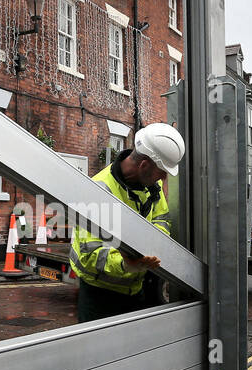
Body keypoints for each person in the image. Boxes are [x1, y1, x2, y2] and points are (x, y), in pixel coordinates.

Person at [70, 123, 186, 322]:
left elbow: (161, 219)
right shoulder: (98, 191)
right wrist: (126, 265)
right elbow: (91, 253)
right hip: (99, 296)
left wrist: (152, 247)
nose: (164, 177)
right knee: (100, 352)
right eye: (162, 171)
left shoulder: (152, 185)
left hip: (136, 288)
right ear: (144, 166)